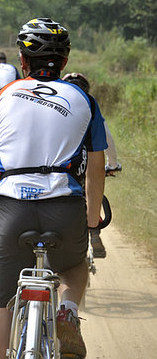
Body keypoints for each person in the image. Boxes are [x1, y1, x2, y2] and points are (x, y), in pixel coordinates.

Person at [0, 17, 107, 359]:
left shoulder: (2, 96)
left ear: (22, 61)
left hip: (11, 210)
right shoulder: (84, 100)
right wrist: (92, 222)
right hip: (64, 208)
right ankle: (67, 310)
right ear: (64, 62)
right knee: (75, 266)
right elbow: (96, 167)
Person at [63, 71, 122, 259]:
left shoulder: (57, 106)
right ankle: (94, 229)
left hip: (59, 166)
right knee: (92, 189)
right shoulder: (89, 106)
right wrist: (113, 164)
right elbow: (107, 139)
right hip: (87, 164)